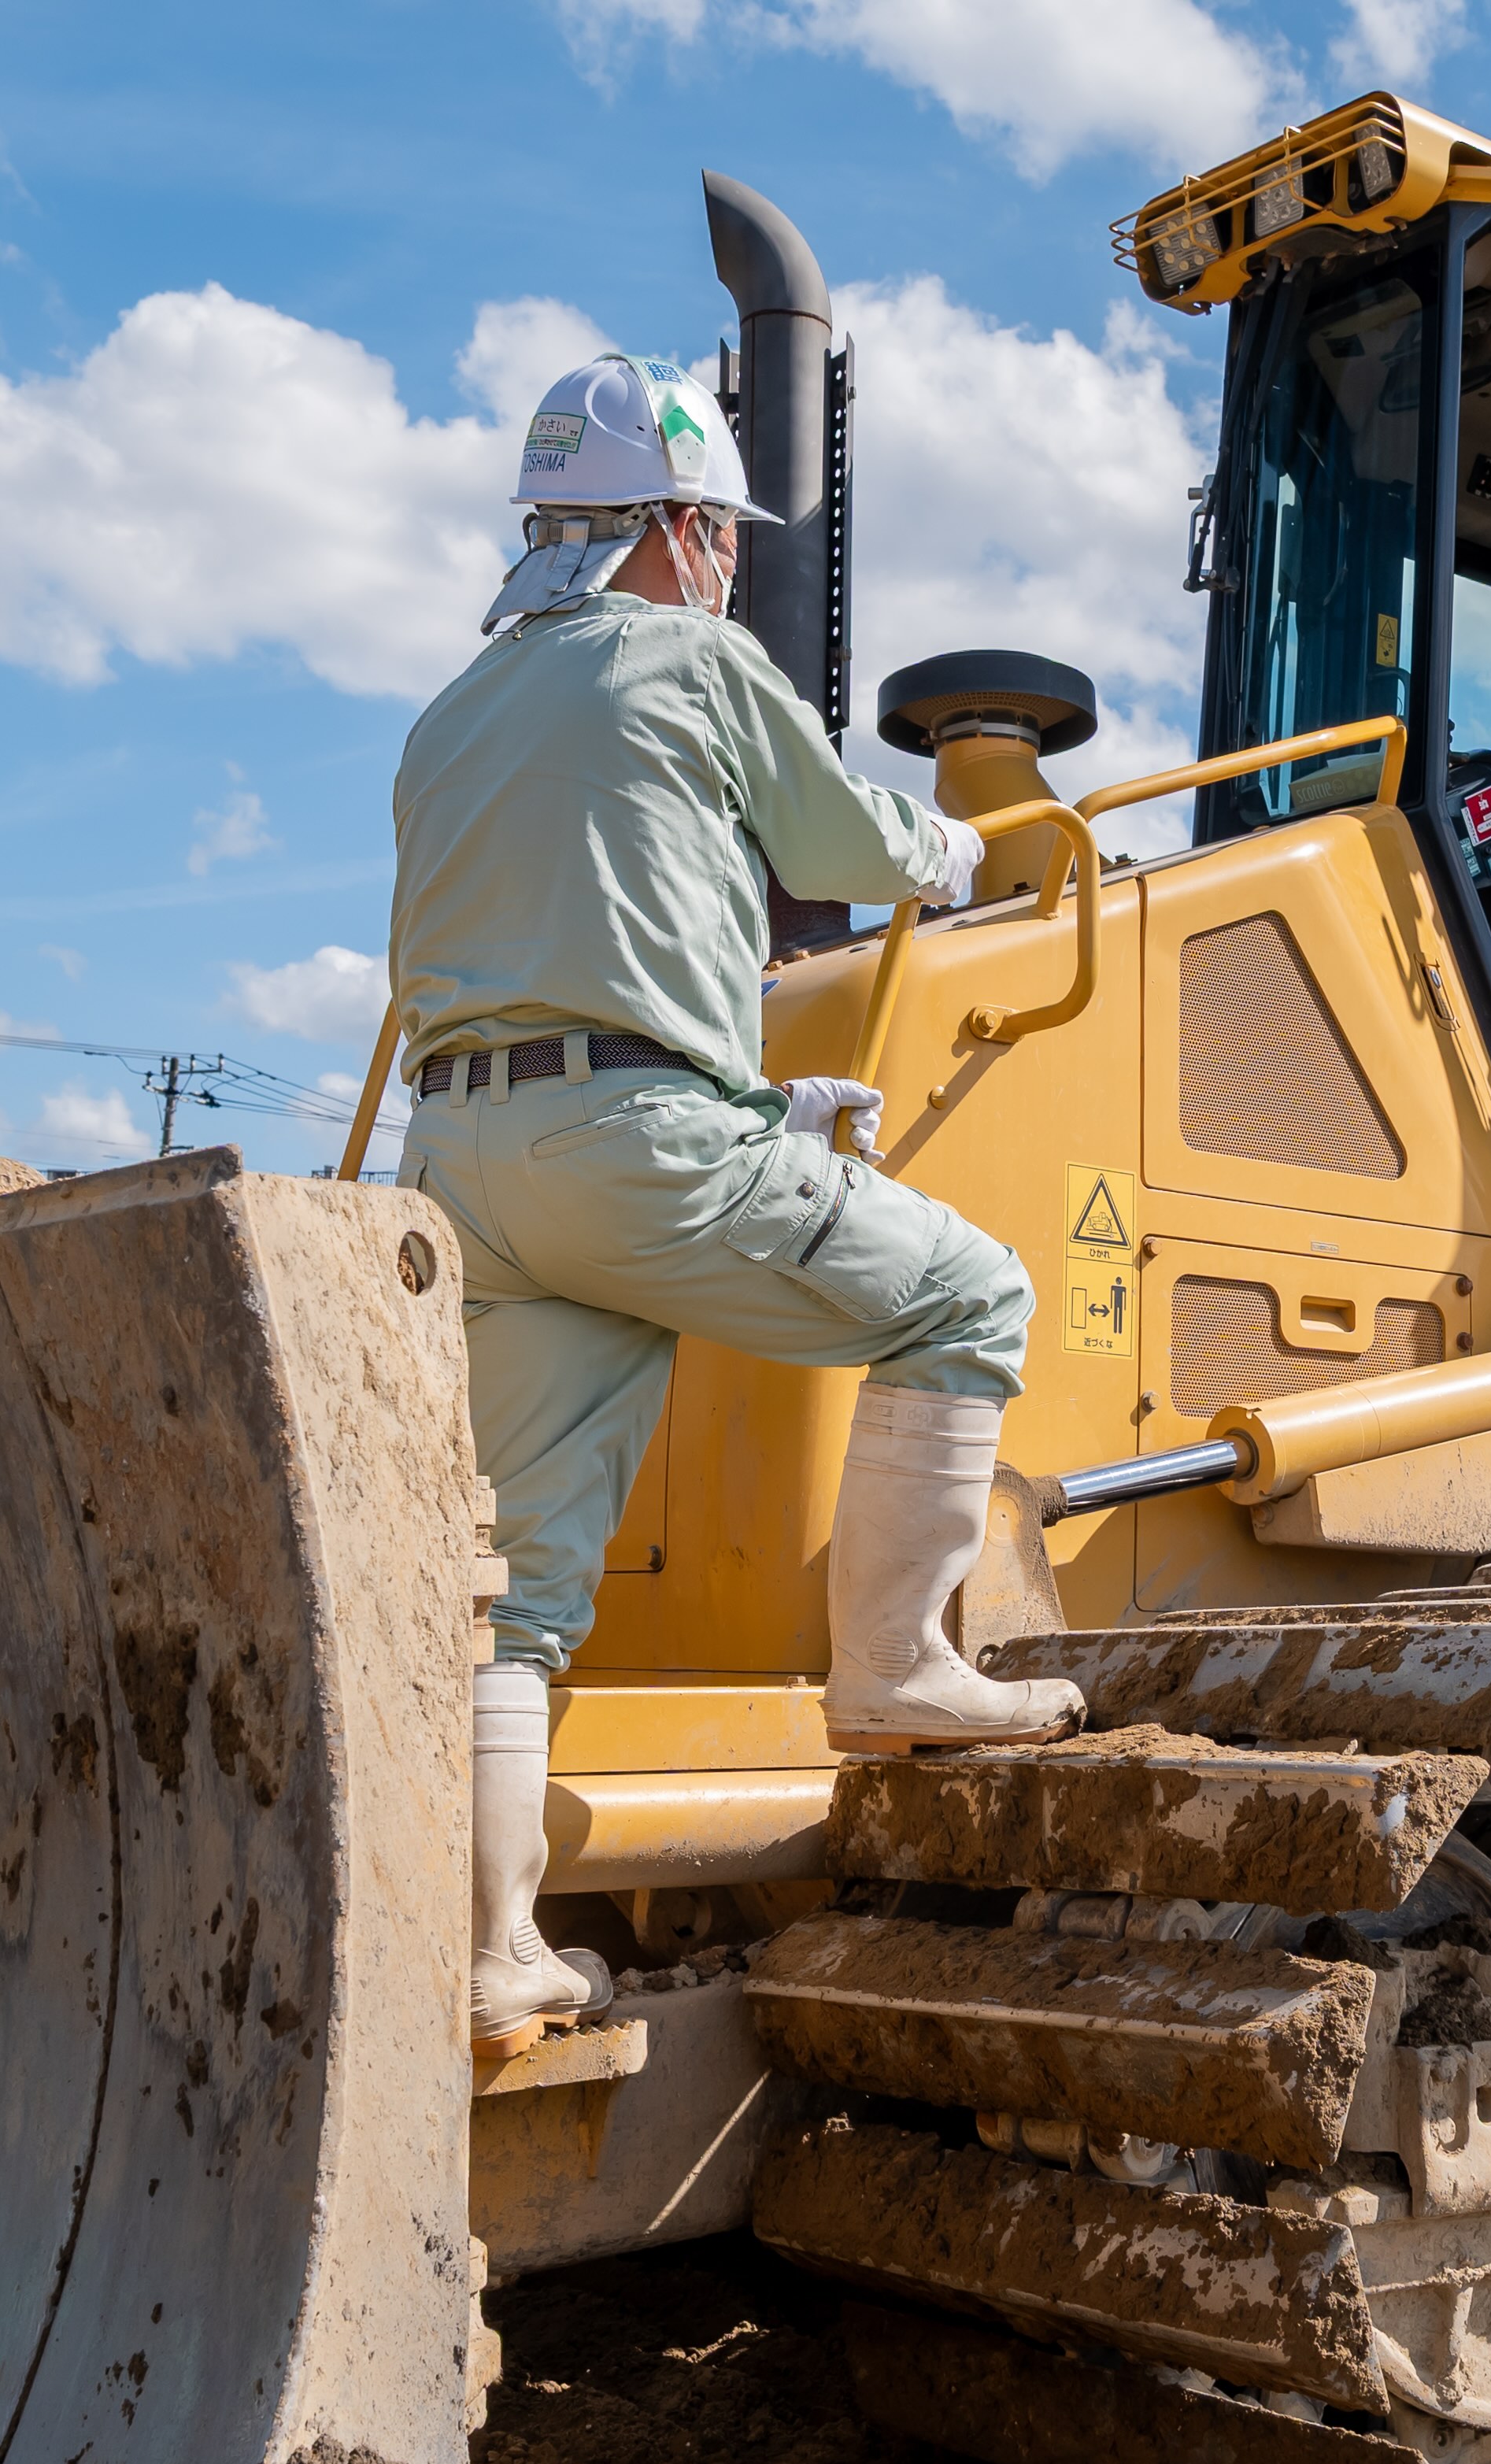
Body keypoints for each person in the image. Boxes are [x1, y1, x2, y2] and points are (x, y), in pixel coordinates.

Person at [392, 353, 1084, 2059]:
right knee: (970, 1294)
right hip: (637, 1147)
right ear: (685, 529)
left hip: (470, 1163)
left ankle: (493, 1958)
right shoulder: (693, 656)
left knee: (523, 1589)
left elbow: (571, 948)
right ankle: (896, 1670)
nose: (723, 562)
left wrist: (753, 1095)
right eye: (718, 536)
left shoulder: (453, 712)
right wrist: (968, 856)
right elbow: (845, 842)